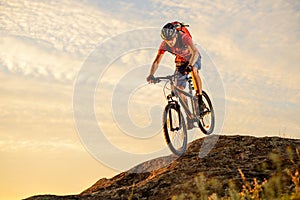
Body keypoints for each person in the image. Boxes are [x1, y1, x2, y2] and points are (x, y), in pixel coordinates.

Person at [146, 22, 204, 130]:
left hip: (193, 58)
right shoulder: (164, 44)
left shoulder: (184, 38)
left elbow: (195, 52)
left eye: (171, 39)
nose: (170, 42)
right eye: (167, 40)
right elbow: (157, 61)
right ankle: (190, 117)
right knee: (178, 89)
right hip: (180, 62)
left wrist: (190, 66)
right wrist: (151, 75)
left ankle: (199, 98)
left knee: (194, 71)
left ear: (175, 35)